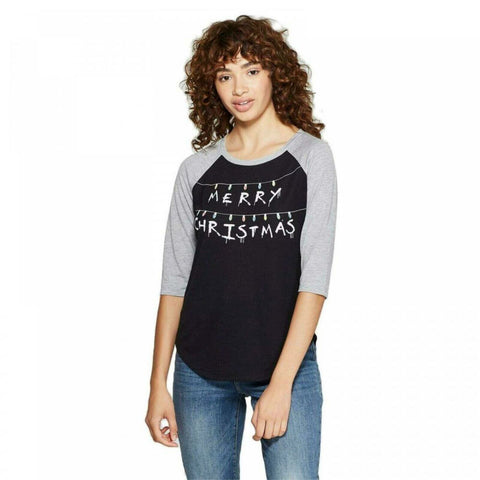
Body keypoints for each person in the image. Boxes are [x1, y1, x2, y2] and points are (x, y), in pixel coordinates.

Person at [145, 14, 338, 479]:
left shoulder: (310, 158)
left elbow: (314, 281)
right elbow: (175, 281)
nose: (239, 87)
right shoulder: (196, 170)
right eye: (224, 75)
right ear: (210, 85)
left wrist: (281, 384)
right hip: (199, 373)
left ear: (275, 74)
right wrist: (157, 384)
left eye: (251, 70)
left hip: (285, 367)